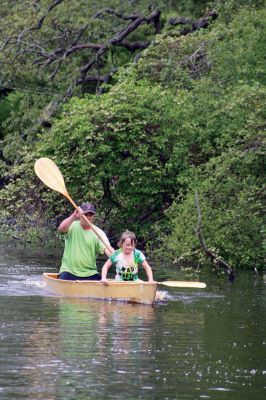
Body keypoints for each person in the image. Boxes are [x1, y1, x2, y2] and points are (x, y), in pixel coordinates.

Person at [58, 202, 114, 280]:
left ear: (94, 216)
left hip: (90, 273)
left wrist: (117, 256)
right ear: (80, 215)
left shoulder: (98, 232)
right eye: (86, 214)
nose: (88, 217)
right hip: (69, 271)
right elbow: (61, 230)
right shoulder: (72, 226)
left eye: (91, 214)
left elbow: (107, 249)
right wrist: (74, 216)